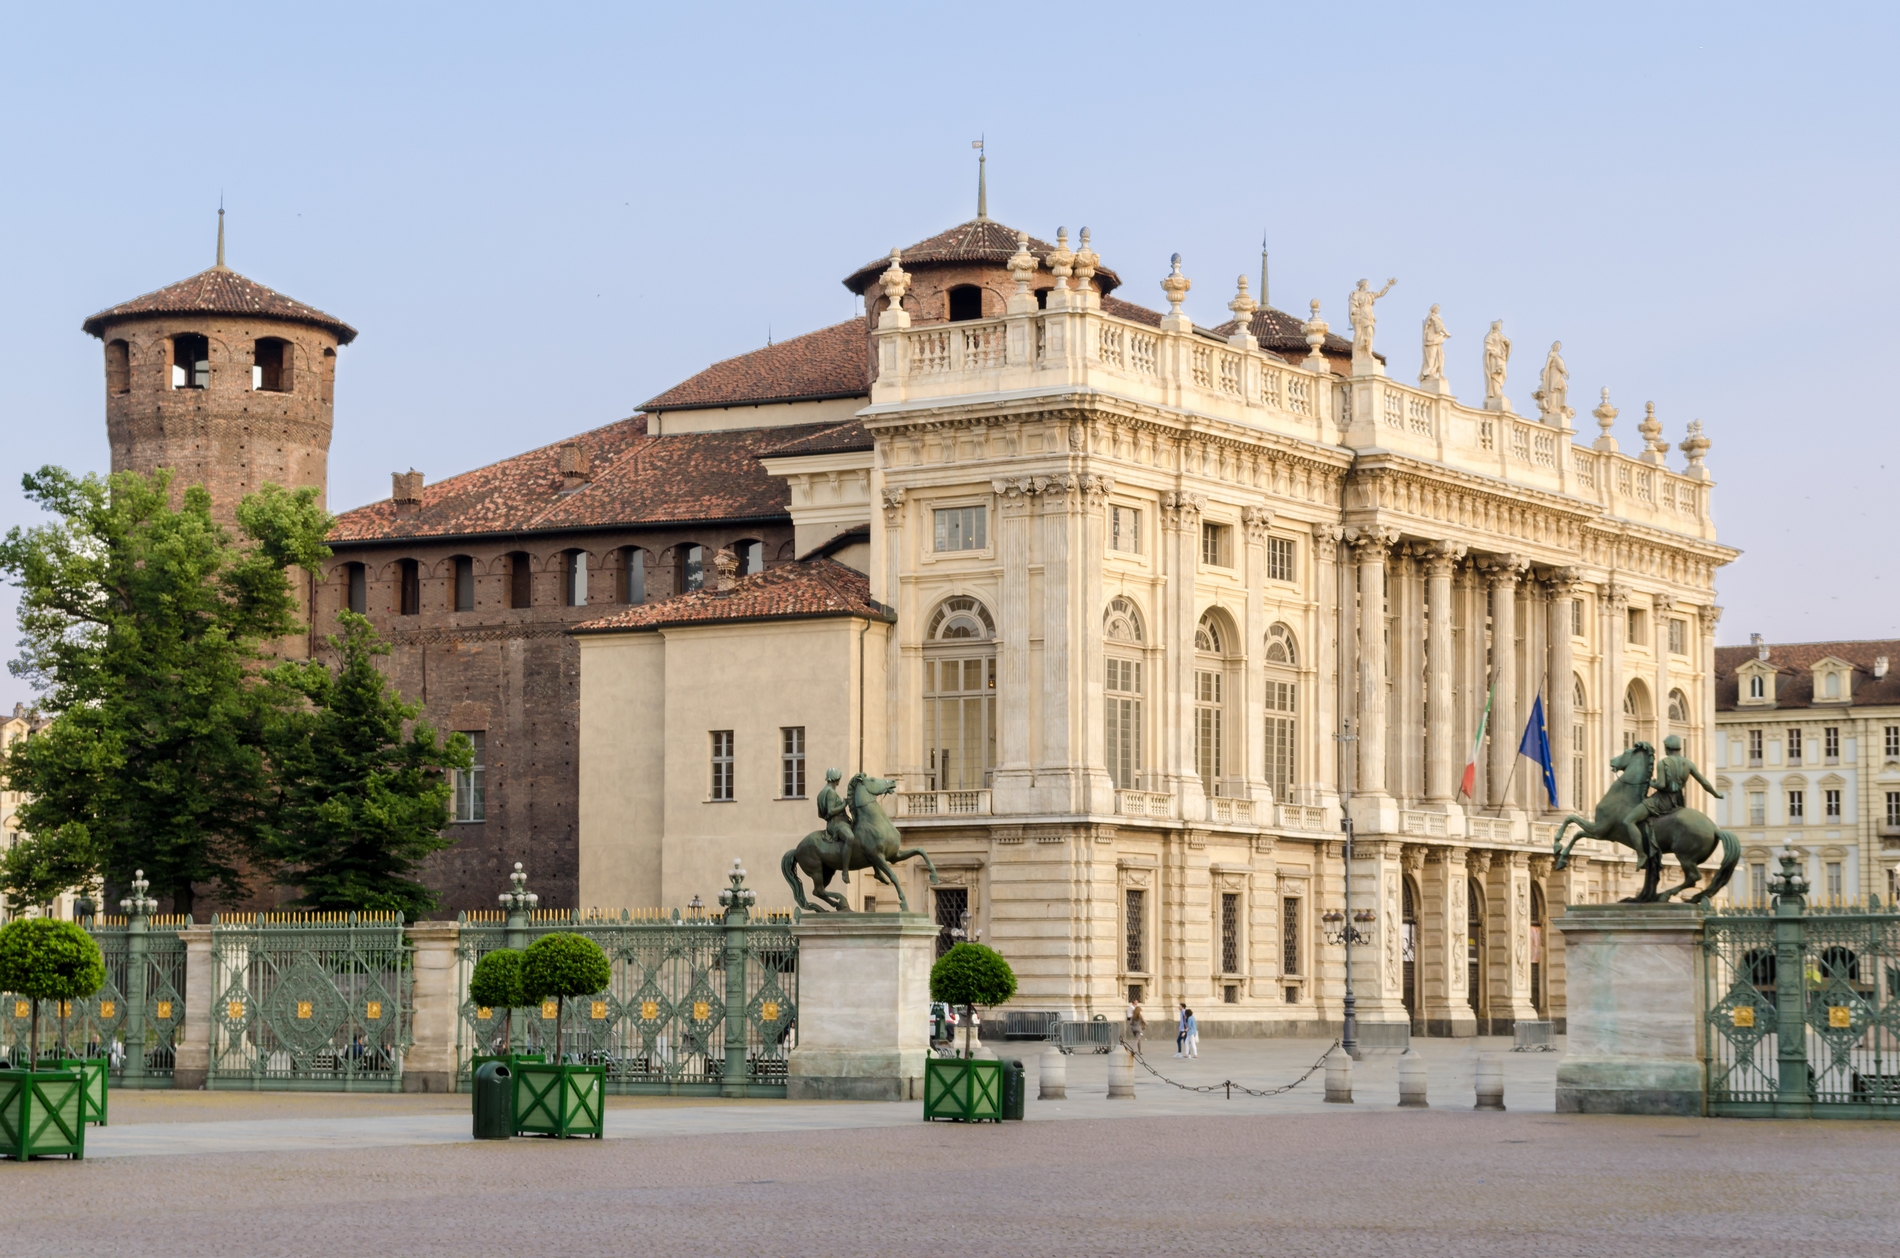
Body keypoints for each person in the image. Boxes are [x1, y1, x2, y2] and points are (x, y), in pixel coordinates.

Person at [1619, 734, 1723, 867]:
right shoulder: (1688, 764)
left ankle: (1641, 855)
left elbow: (1661, 785)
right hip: (1677, 801)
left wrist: (1652, 783)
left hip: (1661, 800)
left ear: (1667, 748)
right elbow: (1704, 782)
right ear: (1679, 748)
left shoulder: (1664, 763)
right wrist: (1715, 793)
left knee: (1629, 820)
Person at [817, 767, 855, 884]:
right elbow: (830, 811)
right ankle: (845, 870)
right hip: (836, 824)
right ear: (836, 779)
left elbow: (821, 814)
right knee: (850, 838)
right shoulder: (831, 792)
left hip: (835, 822)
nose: (839, 781)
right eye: (839, 778)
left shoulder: (823, 792)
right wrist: (844, 804)